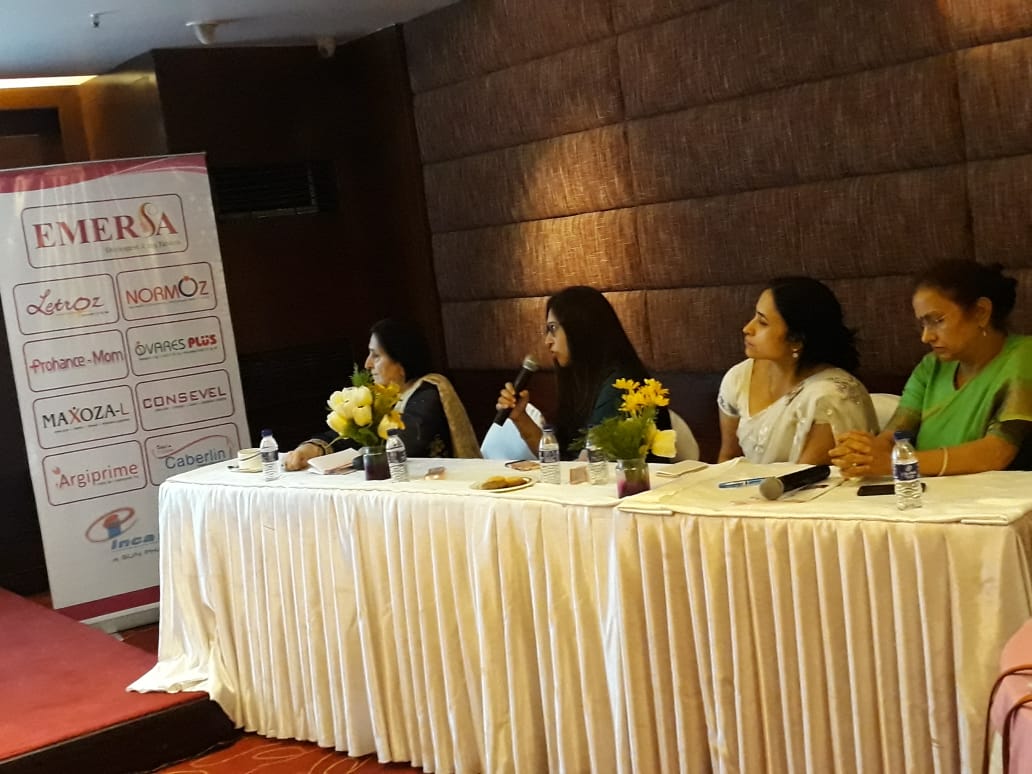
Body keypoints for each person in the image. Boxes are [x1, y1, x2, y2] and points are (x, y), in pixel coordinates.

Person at [831, 261, 1032, 477]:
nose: (926, 337)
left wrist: (897, 464)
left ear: (981, 312)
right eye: (923, 324)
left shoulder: (1024, 356)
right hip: (927, 491)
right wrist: (864, 452)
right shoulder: (931, 366)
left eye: (937, 320)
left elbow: (997, 453)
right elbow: (893, 437)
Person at [495, 285, 669, 460]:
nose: (547, 341)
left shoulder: (622, 384)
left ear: (580, 328)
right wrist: (520, 418)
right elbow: (560, 459)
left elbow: (587, 465)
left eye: (553, 329)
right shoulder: (581, 381)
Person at [718, 276, 877, 465]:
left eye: (763, 322)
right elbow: (728, 460)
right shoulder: (740, 377)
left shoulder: (830, 398)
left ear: (796, 340)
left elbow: (808, 477)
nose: (747, 329)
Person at [283, 318, 480, 470]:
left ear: (401, 362)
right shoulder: (382, 397)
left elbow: (398, 446)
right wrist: (313, 448)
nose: (368, 364)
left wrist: (360, 457)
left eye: (376, 355)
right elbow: (347, 434)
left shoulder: (429, 392)